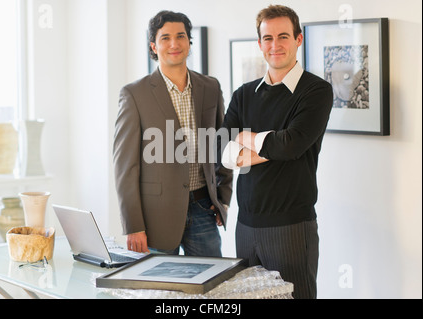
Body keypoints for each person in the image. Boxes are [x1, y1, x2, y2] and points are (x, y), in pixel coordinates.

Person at [220, 5, 333, 299]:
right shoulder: (243, 94)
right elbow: (221, 148)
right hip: (245, 227)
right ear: (259, 44)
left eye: (283, 36)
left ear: (298, 39)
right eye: (267, 38)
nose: (275, 45)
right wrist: (273, 145)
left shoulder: (315, 91)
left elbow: (293, 144)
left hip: (291, 227)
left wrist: (245, 137)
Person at [113, 10, 232, 257]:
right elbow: (125, 167)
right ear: (153, 46)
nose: (174, 44)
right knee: (160, 290)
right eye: (165, 38)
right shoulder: (134, 94)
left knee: (209, 287)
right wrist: (133, 226)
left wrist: (224, 198)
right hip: (156, 216)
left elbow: (223, 145)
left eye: (181, 36)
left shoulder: (211, 87)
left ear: (189, 42)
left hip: (204, 210)